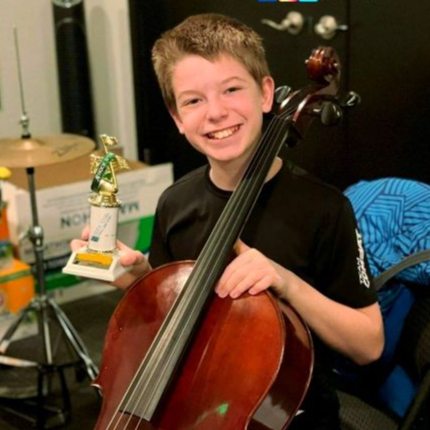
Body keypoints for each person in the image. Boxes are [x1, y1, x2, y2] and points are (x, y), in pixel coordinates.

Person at [72, 13, 384, 429]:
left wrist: (284, 281)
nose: (216, 113)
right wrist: (141, 279)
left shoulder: (324, 210)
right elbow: (168, 322)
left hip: (282, 415)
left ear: (266, 94)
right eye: (193, 100)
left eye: (232, 89)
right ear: (178, 118)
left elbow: (369, 344)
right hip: (183, 403)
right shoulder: (175, 203)